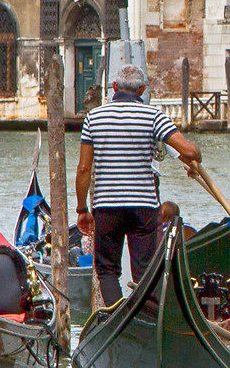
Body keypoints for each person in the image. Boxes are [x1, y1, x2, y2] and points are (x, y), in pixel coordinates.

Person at [76, 64, 202, 307]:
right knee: (145, 271)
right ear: (142, 90)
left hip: (107, 206)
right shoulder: (153, 116)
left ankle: (116, 315)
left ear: (114, 87)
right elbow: (188, 151)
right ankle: (146, 316)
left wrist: (82, 210)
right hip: (143, 206)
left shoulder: (93, 118)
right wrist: (197, 157)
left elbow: (83, 170)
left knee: (108, 271)